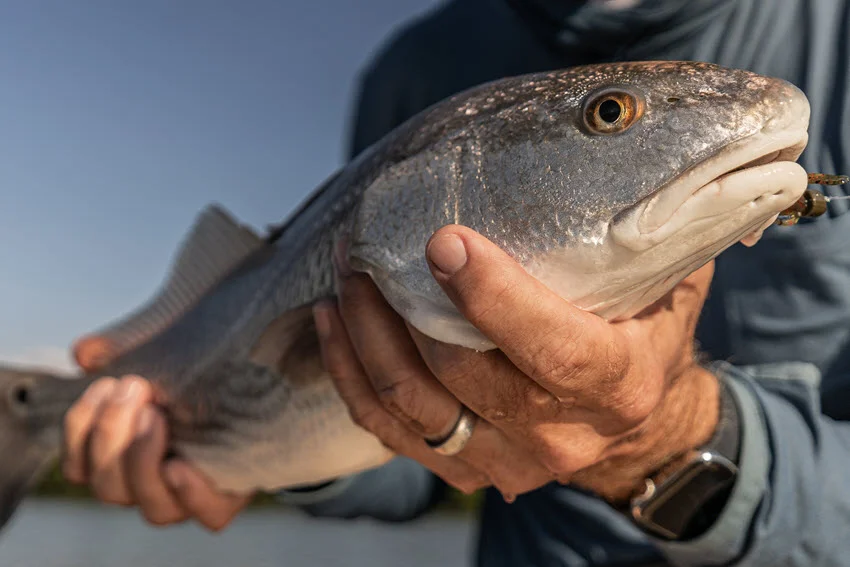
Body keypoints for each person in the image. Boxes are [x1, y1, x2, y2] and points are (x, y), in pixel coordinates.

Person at [61, 0, 850, 565]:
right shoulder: (418, 67)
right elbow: (417, 476)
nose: (613, 120)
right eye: (610, 114)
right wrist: (262, 457)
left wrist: (681, 441)